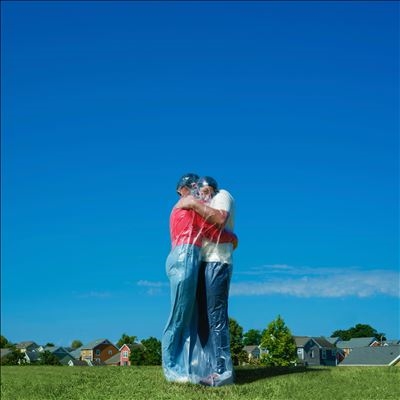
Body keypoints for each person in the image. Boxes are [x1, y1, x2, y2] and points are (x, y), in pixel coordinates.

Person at [162, 173, 237, 384]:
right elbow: (210, 229)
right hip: (184, 256)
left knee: (188, 316)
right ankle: (171, 368)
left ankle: (185, 365)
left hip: (189, 257)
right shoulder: (187, 205)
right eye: (195, 189)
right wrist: (233, 238)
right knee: (179, 316)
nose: (198, 194)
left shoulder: (187, 207)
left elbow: (205, 230)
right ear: (186, 189)